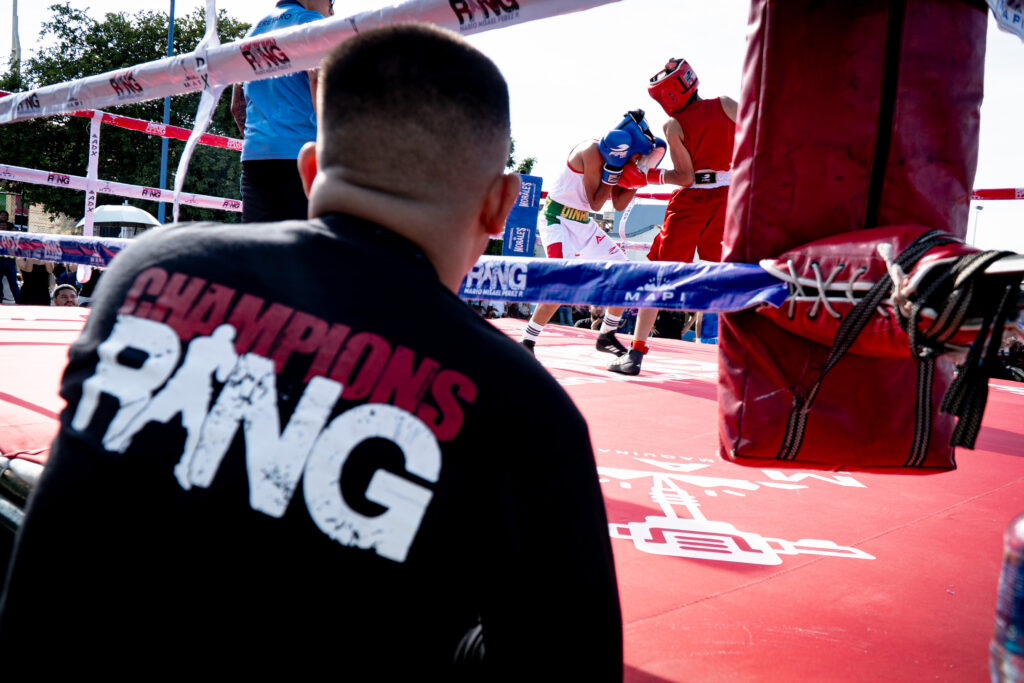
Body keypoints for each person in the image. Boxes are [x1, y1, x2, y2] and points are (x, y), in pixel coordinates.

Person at [0, 24, 622, 677]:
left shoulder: (150, 274)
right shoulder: (528, 409)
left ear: (308, 170)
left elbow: (48, 585)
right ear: (501, 206)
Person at [609, 57, 737, 375]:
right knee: (729, 274)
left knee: (660, 273)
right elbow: (757, 137)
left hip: (692, 201)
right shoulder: (726, 104)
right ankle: (742, 354)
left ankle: (635, 354)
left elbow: (684, 177)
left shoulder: (674, 125)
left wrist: (645, 175)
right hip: (730, 196)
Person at [520, 110, 664, 358]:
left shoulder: (622, 159)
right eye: (637, 157)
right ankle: (527, 342)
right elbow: (596, 203)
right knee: (560, 281)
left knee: (626, 274)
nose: (637, 160)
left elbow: (618, 205)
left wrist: (639, 177)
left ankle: (606, 335)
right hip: (558, 219)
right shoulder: (590, 150)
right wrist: (613, 171)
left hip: (583, 223)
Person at [230, 0, 334, 223]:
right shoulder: (309, 22)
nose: (332, 10)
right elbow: (321, 82)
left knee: (261, 247)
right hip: (302, 154)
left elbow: (236, 103)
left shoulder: (251, 32)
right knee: (311, 246)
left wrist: (262, 139)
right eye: (331, 1)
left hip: (255, 156)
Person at [0, 210, 19, 304]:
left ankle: (18, 300)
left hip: (9, 261)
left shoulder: (11, 232)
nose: (3, 227)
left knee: (13, 282)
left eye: (4, 226)